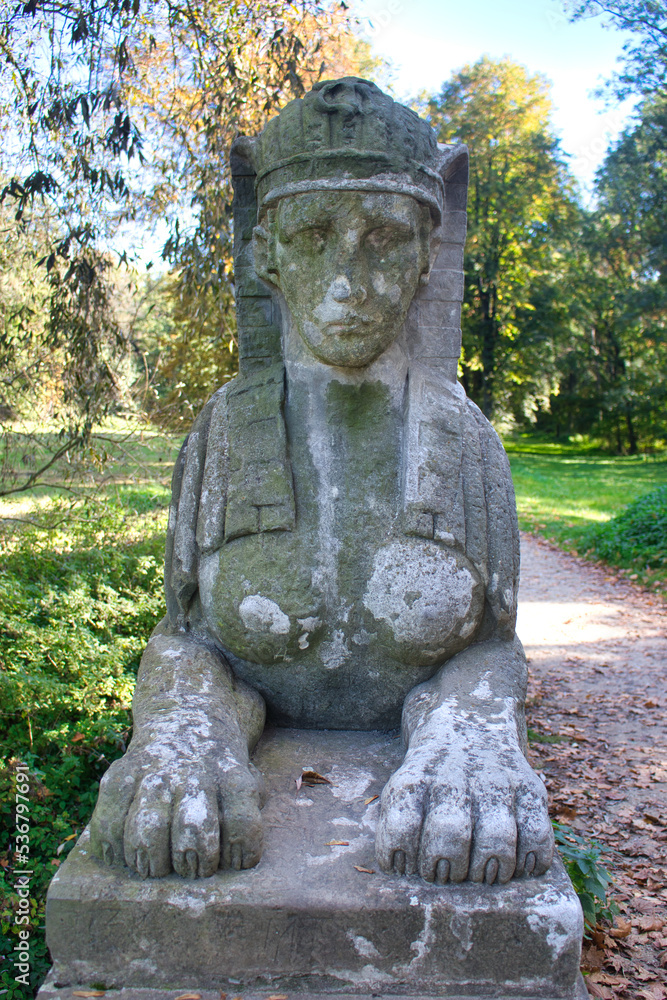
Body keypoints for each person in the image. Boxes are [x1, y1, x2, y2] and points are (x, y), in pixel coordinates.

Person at [90, 78, 554, 886]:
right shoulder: (224, 432)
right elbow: (189, 639)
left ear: (425, 256)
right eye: (312, 236)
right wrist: (182, 725)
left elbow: (490, 651)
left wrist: (469, 735)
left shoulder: (466, 441)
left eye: (384, 237)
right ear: (265, 253)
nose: (349, 279)